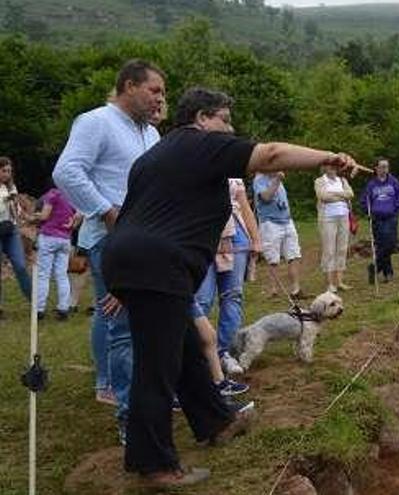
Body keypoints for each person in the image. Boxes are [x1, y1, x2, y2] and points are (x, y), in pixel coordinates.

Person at [100, 87, 357, 487]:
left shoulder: (154, 157)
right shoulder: (201, 144)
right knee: (157, 367)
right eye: (225, 119)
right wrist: (328, 158)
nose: (231, 129)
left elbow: (134, 217)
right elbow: (269, 155)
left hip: (138, 262)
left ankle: (217, 422)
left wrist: (125, 278)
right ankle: (154, 464)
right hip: (158, 267)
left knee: (184, 349)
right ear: (202, 118)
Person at [53, 59, 165, 414]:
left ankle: (141, 393)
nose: (160, 99)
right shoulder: (95, 121)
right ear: (130, 85)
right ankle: (128, 412)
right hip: (111, 239)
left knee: (148, 320)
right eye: (154, 90)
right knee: (122, 325)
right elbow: (67, 171)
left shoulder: (150, 132)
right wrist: (106, 210)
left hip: (147, 239)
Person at [194, 177, 261, 378]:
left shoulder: (230, 170)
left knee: (233, 296)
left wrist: (256, 238)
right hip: (201, 236)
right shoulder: (186, 164)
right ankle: (199, 356)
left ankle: (225, 353)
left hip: (236, 238)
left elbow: (244, 206)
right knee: (201, 301)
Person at [28, 183, 76, 320]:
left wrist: (35, 215)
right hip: (65, 239)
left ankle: (39, 309)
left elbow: (44, 216)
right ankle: (63, 308)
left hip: (49, 237)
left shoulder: (52, 194)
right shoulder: (71, 196)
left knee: (43, 274)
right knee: (62, 275)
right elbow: (79, 214)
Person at [253, 171, 303, 299]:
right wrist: (277, 179)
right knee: (273, 259)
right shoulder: (260, 179)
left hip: (286, 221)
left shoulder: (276, 178)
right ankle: (273, 290)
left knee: (294, 255)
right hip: (270, 223)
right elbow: (266, 197)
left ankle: (296, 290)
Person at [360, 158, 399, 284]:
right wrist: (369, 212)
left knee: (391, 245)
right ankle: (388, 273)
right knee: (382, 246)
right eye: (382, 166)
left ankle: (374, 267)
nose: (385, 169)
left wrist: (397, 209)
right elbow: (364, 200)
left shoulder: (394, 182)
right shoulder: (371, 185)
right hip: (377, 219)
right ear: (376, 168)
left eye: (387, 166)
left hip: (391, 217)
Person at [315, 161, 354, 293]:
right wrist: (342, 196)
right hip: (327, 219)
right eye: (329, 166)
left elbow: (350, 194)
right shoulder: (320, 181)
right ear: (324, 167)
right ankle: (330, 283)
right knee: (329, 250)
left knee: (342, 248)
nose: (332, 169)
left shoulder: (342, 180)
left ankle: (339, 281)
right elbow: (323, 196)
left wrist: (335, 195)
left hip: (343, 217)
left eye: (334, 166)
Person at [0, 156, 32, 319]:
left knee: (20, 266)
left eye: (9, 171)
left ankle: (35, 303)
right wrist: (5, 201)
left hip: (10, 230)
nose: (7, 174)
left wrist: (25, 215)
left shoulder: (11, 187)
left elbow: (17, 210)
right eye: (4, 170)